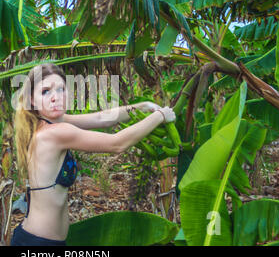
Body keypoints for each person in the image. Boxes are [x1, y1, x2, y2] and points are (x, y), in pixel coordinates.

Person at [10, 63, 175, 246]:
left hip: (39, 240)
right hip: (38, 244)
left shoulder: (48, 123)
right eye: (45, 92)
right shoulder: (55, 133)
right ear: (32, 100)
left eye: (61, 89)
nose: (55, 97)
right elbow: (116, 143)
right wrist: (160, 115)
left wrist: (142, 107)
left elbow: (100, 118)